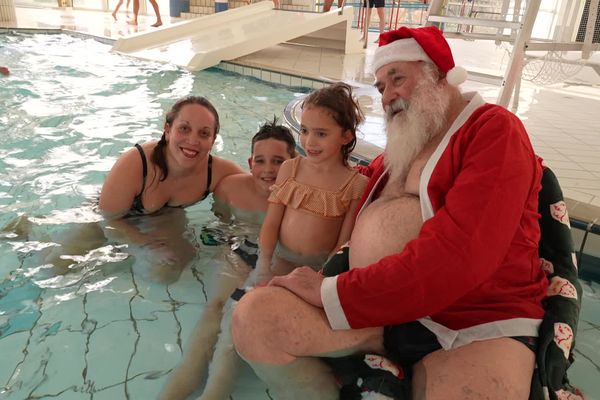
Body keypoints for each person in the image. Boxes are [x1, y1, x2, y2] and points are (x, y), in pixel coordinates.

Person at [231, 26, 550, 399]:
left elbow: (462, 257)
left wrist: (333, 292)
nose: (389, 95)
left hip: (471, 323)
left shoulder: (494, 131)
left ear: (438, 74)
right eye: (381, 87)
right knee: (253, 320)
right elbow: (341, 186)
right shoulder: (400, 151)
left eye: (398, 78)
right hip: (378, 317)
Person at [158, 119, 297, 400]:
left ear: (295, 163)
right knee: (216, 306)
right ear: (250, 162)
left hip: (277, 258)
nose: (268, 170)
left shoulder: (302, 199)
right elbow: (218, 227)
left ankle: (215, 391)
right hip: (238, 248)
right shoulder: (230, 189)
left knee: (238, 313)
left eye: (279, 161)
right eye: (261, 161)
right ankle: (181, 381)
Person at [99, 95, 243, 283]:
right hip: (111, 217)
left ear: (213, 140)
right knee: (60, 264)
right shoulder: (137, 162)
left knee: (167, 272)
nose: (193, 140)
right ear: (167, 130)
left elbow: (255, 189)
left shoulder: (216, 171)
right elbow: (108, 220)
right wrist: (146, 245)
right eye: (184, 129)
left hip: (164, 218)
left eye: (204, 133)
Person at [255, 82, 368, 285]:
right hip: (279, 259)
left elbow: (343, 244)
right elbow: (271, 224)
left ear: (346, 136)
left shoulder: (355, 185)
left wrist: (320, 279)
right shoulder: (290, 169)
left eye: (321, 134)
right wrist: (263, 265)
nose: (309, 142)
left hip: (318, 270)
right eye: (305, 130)